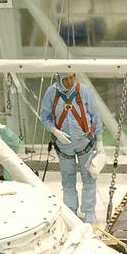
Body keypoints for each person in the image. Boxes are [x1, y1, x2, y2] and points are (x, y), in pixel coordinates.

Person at [40, 72, 104, 223]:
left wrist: (99, 140)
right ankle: (71, 211)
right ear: (59, 78)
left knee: (89, 178)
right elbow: (45, 117)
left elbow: (95, 115)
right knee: (68, 180)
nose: (69, 82)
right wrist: (55, 131)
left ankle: (89, 211)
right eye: (65, 79)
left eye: (71, 78)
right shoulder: (51, 93)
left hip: (85, 142)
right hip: (64, 146)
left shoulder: (84, 91)